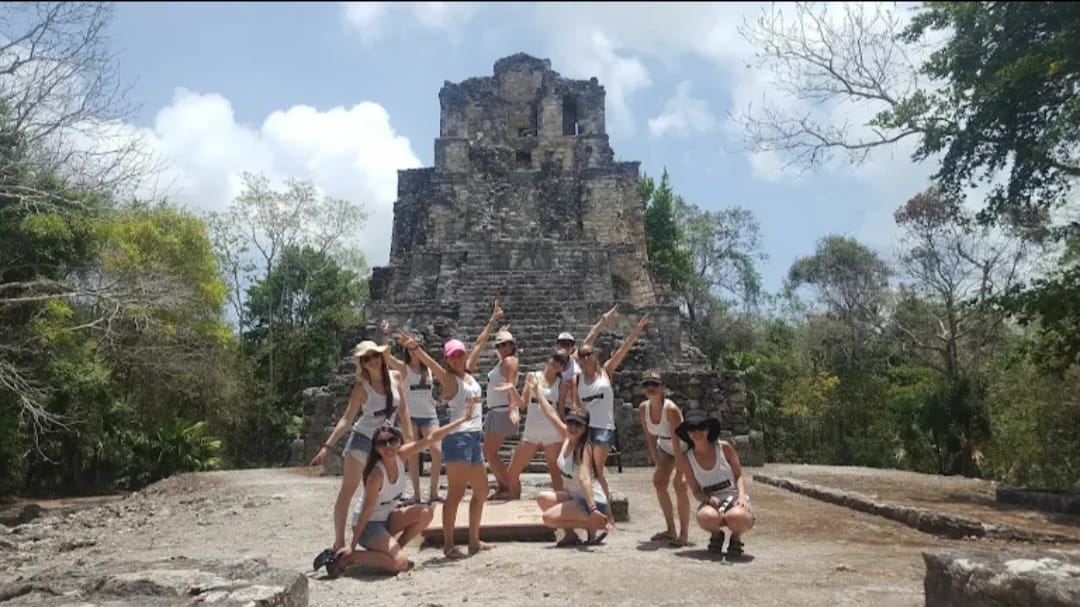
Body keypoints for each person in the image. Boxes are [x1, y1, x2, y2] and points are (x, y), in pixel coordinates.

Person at [313, 405, 477, 577]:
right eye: (382, 443)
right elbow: (366, 511)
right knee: (401, 563)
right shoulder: (376, 475)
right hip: (369, 526)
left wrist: (462, 420)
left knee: (426, 512)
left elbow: (432, 438)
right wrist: (352, 546)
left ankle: (393, 550)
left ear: (399, 441)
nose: (388, 446)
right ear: (376, 448)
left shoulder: (401, 455)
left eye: (392, 440)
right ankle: (348, 558)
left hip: (386, 519)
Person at [395, 328, 495, 560]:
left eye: (460, 354)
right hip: (458, 439)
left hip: (473, 437)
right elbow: (432, 364)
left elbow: (479, 345)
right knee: (455, 494)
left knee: (482, 491)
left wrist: (491, 323)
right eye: (453, 356)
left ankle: (473, 540)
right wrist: (415, 348)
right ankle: (449, 545)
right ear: (447, 360)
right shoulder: (449, 379)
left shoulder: (468, 375)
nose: (458, 359)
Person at [309, 340, 412, 554]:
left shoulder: (395, 378)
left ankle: (379, 533)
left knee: (383, 489)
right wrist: (327, 446)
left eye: (375, 356)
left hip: (386, 441)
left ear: (381, 357)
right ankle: (340, 542)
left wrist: (409, 437)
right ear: (362, 364)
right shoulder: (361, 388)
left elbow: (403, 410)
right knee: (348, 490)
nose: (372, 361)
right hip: (363, 440)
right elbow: (347, 419)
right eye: (366, 358)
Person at [507, 373, 609, 546]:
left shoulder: (585, 448)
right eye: (571, 423)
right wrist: (537, 391)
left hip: (592, 501)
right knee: (543, 498)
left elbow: (585, 478)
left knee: (549, 519)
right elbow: (549, 412)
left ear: (585, 428)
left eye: (578, 425)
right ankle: (572, 534)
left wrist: (592, 508)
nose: (573, 427)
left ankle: (594, 524)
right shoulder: (566, 436)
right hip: (575, 496)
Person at [573, 313, 649, 531]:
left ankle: (608, 515)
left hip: (604, 428)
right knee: (590, 473)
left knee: (598, 471)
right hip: (586, 430)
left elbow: (623, 350)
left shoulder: (605, 371)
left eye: (589, 354)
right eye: (582, 355)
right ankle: (598, 514)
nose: (586, 357)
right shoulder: (577, 380)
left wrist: (636, 330)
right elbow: (577, 406)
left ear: (594, 356)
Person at [378, 320, 444, 505]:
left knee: (437, 451)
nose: (413, 351)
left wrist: (440, 398)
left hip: (430, 415)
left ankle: (433, 492)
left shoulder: (429, 368)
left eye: (415, 347)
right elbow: (386, 358)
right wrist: (385, 335)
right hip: (411, 416)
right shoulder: (404, 368)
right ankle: (416, 494)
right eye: (409, 348)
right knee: (413, 456)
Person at [674, 409, 754, 556]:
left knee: (738, 517)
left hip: (733, 496)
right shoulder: (687, 459)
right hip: (713, 502)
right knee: (706, 516)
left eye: (701, 427)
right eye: (692, 428)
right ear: (687, 433)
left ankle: (736, 537)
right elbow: (696, 491)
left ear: (708, 429)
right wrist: (707, 499)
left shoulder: (724, 448)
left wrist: (742, 497)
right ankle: (716, 535)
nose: (697, 432)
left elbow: (738, 475)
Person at [466, 302, 518, 501]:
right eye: (500, 345)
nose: (503, 348)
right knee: (490, 453)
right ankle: (504, 486)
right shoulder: (503, 361)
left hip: (502, 410)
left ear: (512, 346)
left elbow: (511, 383)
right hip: (496, 411)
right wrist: (498, 328)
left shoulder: (510, 361)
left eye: (506, 344)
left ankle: (508, 487)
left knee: (490, 453)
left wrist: (513, 408)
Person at [502, 350, 571, 499]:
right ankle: (514, 499)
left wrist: (566, 431)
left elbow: (560, 410)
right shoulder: (532, 376)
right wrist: (512, 390)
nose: (558, 363)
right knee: (513, 470)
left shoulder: (562, 384)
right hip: (532, 428)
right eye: (556, 358)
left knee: (554, 470)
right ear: (549, 358)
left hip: (552, 430)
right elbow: (523, 404)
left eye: (562, 362)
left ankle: (560, 504)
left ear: (563, 367)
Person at [638, 370, 691, 547]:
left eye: (654, 384)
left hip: (683, 448)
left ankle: (684, 534)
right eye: (646, 384)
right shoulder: (643, 408)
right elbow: (650, 439)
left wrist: (680, 471)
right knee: (659, 482)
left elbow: (678, 441)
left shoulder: (671, 410)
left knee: (679, 485)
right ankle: (670, 530)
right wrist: (659, 464)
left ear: (663, 388)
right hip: (665, 447)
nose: (650, 388)